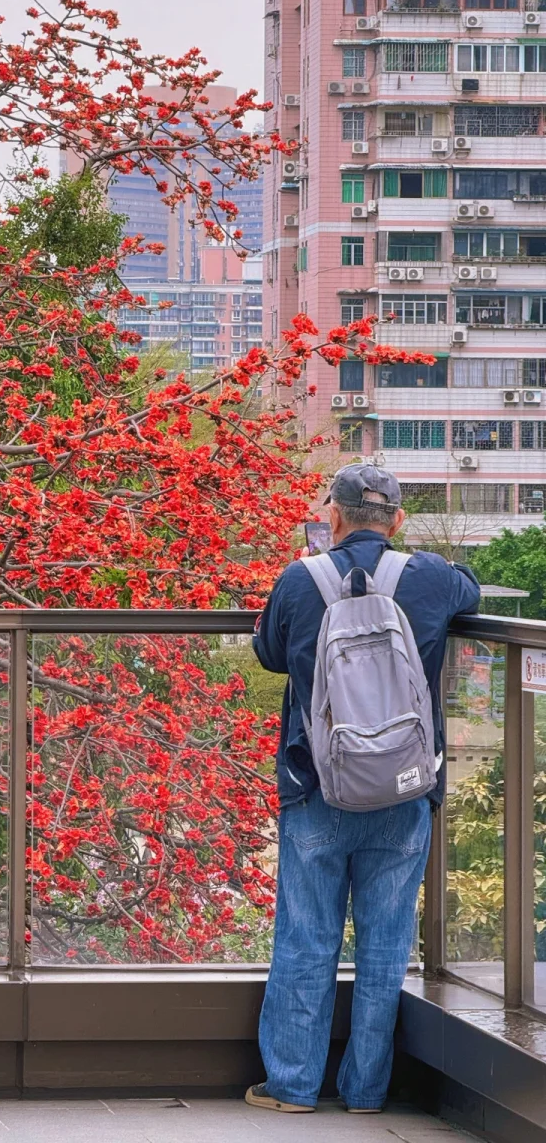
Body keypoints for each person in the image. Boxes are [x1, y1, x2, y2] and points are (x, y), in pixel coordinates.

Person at [245, 463, 480, 1116]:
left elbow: (268, 651)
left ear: (334, 517)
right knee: (385, 941)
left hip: (318, 785)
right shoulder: (429, 577)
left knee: (306, 934)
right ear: (397, 520)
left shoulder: (300, 579)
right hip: (404, 790)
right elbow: (472, 592)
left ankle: (292, 1086)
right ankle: (367, 1091)